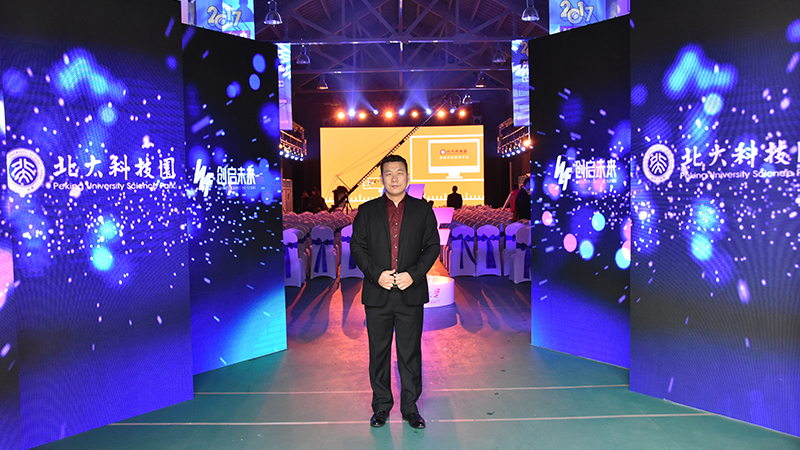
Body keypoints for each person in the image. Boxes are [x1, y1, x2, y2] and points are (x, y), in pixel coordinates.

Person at [350, 155, 440, 430]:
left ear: (407, 177)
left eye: (399, 172)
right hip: (377, 294)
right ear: (381, 178)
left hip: (409, 293)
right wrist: (376, 274)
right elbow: (357, 247)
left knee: (409, 353)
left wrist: (413, 275)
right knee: (378, 352)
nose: (394, 178)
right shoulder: (367, 211)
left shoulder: (423, 210)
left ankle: (411, 408)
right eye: (388, 173)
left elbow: (432, 247)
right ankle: (381, 407)